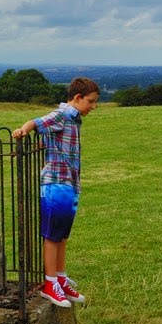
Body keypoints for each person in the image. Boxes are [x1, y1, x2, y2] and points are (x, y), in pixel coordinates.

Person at [12, 77, 100, 307]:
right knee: (52, 236)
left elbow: (51, 138)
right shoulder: (62, 115)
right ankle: (50, 284)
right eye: (91, 101)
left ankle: (60, 279)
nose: (94, 106)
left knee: (62, 236)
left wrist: (45, 144)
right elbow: (36, 122)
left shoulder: (74, 118)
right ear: (78, 98)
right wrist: (23, 130)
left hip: (69, 184)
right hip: (55, 184)